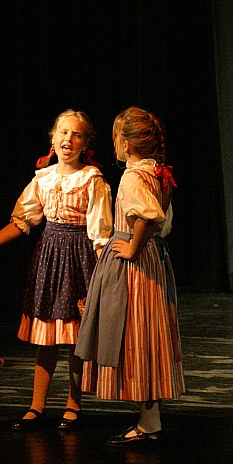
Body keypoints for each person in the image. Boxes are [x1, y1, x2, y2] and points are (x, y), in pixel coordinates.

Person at [0, 110, 112, 431]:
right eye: (63, 133)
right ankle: (37, 405)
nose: (69, 139)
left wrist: (104, 275)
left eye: (77, 135)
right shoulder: (43, 178)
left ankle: (73, 403)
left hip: (80, 258)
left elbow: (101, 232)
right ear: (53, 139)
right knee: (47, 336)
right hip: (50, 259)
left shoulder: (93, 181)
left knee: (75, 335)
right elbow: (22, 220)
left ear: (86, 144)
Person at [75, 106, 184, 445]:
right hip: (151, 260)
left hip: (136, 266)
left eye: (115, 139)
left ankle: (149, 423)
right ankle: (150, 418)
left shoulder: (134, 176)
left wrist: (132, 248)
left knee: (136, 335)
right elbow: (163, 221)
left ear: (126, 143)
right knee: (146, 336)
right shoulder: (156, 172)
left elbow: (150, 218)